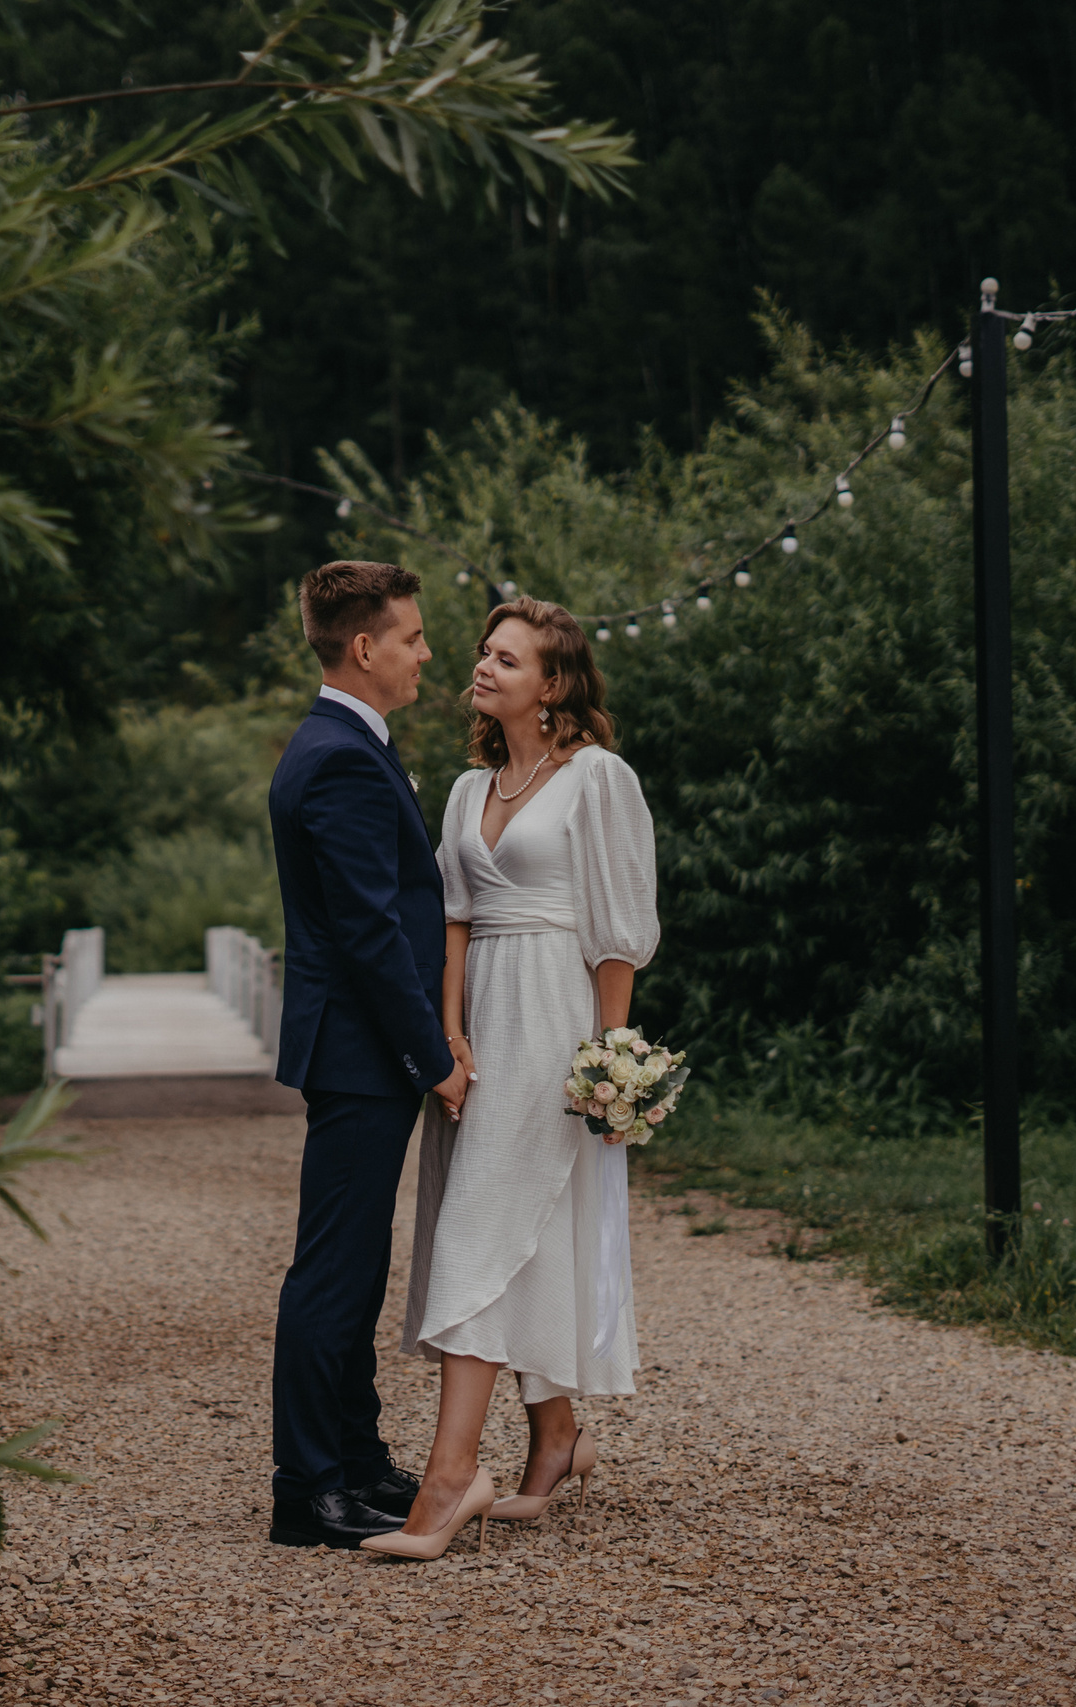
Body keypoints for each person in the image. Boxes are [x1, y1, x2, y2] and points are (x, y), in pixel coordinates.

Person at [367, 597, 660, 1562]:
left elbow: (617, 932)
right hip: (484, 1022)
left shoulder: (598, 779)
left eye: (508, 657)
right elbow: (452, 921)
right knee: (505, 1221)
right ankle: (554, 1435)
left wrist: (610, 1063)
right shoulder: (465, 788)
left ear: (556, 683)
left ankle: (451, 1477)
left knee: (483, 1222)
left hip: (555, 1018)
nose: (483, 667)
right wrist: (448, 1039)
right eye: (485, 653)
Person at [265, 560, 474, 1549]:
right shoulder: (341, 755)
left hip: (353, 1051)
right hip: (358, 1050)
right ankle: (307, 1489)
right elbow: (368, 933)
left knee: (355, 1266)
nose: (427, 652)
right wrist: (432, 1056)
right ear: (365, 647)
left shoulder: (345, 744)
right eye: (415, 636)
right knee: (334, 1273)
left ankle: (353, 1459)